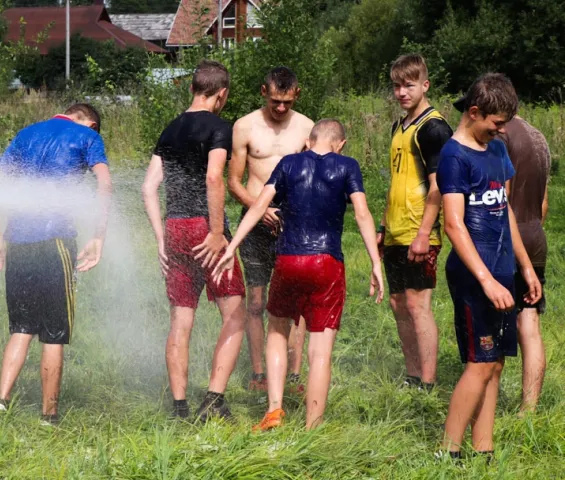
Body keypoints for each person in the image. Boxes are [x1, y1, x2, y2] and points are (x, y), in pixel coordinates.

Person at [214, 119, 384, 430]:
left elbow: (258, 207)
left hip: (289, 259)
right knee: (320, 350)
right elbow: (362, 213)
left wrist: (232, 245)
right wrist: (375, 261)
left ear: (308, 140)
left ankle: (275, 411)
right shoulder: (347, 166)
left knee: (277, 330)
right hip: (327, 262)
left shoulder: (289, 163)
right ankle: (312, 427)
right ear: (341, 144)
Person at [438, 73, 541, 458]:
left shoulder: (497, 151)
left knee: (495, 364)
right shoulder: (453, 155)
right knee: (479, 362)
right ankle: (448, 452)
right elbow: (453, 224)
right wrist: (485, 280)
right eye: (496, 124)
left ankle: (483, 449)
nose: (500, 131)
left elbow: (505, 214)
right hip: (472, 275)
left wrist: (525, 269)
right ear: (475, 112)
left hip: (502, 270)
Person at [0, 103, 112, 425]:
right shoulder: (87, 136)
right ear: (91, 124)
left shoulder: (26, 133)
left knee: (21, 327)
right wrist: (98, 236)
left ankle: (0, 403)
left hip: (17, 239)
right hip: (55, 241)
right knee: (54, 332)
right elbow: (104, 184)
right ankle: (49, 416)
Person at [142, 60, 247, 421]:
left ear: (192, 89)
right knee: (235, 314)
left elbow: (147, 188)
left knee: (180, 320)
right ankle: (214, 400)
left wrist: (160, 239)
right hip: (205, 228)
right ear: (222, 95)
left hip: (175, 229)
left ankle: (179, 408)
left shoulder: (170, 130)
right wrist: (217, 233)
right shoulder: (220, 127)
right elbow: (215, 178)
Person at [228, 66, 314, 391]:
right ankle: (258, 373)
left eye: (287, 103)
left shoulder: (307, 128)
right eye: (275, 101)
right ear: (263, 92)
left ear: (297, 96)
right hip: (255, 220)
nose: (280, 108)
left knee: (295, 300)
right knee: (255, 300)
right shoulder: (244, 126)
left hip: (293, 223)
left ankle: (293, 374)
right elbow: (234, 182)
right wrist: (258, 208)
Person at [378, 54, 453, 390]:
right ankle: (411, 376)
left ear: (425, 85)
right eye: (396, 85)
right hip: (395, 230)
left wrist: (424, 234)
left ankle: (428, 380)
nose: (402, 92)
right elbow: (396, 182)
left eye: (409, 85)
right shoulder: (398, 126)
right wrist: (382, 228)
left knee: (417, 303)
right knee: (397, 304)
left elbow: (440, 186)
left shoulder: (433, 127)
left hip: (420, 232)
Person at [499, 114, 550, 412]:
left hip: (507, 240)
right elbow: (543, 202)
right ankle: (528, 410)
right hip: (535, 237)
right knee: (529, 324)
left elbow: (501, 196)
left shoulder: (501, 135)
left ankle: (486, 399)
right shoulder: (539, 138)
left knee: (496, 324)